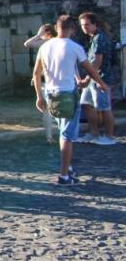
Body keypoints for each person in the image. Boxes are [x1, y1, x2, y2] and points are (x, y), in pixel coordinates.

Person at [33, 15, 107, 185]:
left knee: (62, 131)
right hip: (67, 94)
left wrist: (39, 96)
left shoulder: (45, 47)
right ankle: (64, 175)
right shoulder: (75, 47)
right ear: (72, 28)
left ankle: (68, 165)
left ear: (56, 27)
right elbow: (90, 69)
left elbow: (36, 73)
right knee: (67, 136)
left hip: (50, 94)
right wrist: (102, 84)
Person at [78, 12, 116, 145]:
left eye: (87, 25)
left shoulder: (100, 38)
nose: (84, 27)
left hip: (101, 78)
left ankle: (109, 136)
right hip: (93, 78)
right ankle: (93, 133)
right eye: (82, 25)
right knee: (86, 104)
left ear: (95, 24)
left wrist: (87, 79)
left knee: (104, 107)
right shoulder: (93, 37)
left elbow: (97, 62)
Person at [24, 24, 57, 143]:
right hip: (51, 79)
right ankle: (51, 136)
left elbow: (27, 43)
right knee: (49, 109)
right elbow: (27, 44)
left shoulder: (47, 44)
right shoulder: (53, 43)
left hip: (50, 79)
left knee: (48, 110)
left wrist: (38, 35)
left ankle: (50, 136)